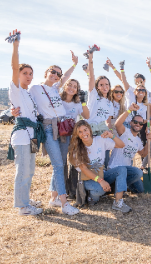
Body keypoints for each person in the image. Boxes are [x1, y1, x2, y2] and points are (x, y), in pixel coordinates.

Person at [28, 48, 80, 215]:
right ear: (46, 72)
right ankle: (65, 204)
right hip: (49, 128)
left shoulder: (56, 88)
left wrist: (74, 64)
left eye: (58, 74)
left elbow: (66, 76)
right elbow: (27, 106)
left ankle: (53, 198)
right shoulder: (35, 89)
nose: (56, 75)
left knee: (61, 163)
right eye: (53, 72)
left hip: (63, 128)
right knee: (58, 165)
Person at [7, 29, 45, 215]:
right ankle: (22, 207)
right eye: (25, 73)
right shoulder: (15, 90)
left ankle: (26, 200)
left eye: (31, 73)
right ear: (19, 74)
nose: (28, 76)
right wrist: (16, 45)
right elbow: (14, 67)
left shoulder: (29, 95)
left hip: (33, 137)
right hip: (22, 137)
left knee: (30, 170)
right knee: (22, 171)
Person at [68, 120, 134, 213]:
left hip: (101, 174)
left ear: (90, 130)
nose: (84, 133)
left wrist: (111, 135)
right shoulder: (77, 149)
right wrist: (101, 181)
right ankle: (92, 198)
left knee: (122, 170)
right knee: (99, 189)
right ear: (77, 134)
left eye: (85, 130)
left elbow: (121, 145)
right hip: (87, 179)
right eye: (80, 132)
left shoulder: (99, 140)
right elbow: (84, 170)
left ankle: (118, 202)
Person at [108, 103, 151, 195]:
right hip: (115, 169)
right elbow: (117, 124)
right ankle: (117, 187)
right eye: (136, 122)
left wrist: (148, 141)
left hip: (127, 171)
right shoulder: (125, 132)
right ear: (131, 123)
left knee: (140, 190)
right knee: (139, 173)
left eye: (140, 123)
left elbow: (143, 154)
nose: (138, 124)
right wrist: (129, 110)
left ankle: (121, 186)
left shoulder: (138, 141)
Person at [60, 79, 90, 196]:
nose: (72, 88)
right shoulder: (59, 100)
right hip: (60, 136)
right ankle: (62, 190)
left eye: (75, 86)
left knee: (74, 163)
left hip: (73, 136)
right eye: (70, 85)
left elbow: (87, 116)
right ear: (65, 86)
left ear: (77, 90)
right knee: (62, 164)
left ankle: (72, 190)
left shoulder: (77, 103)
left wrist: (83, 101)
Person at [86, 52, 114, 136]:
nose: (104, 87)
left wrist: (110, 130)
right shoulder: (94, 96)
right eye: (101, 85)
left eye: (106, 84)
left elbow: (108, 121)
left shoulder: (110, 103)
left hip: (102, 132)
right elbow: (91, 77)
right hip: (90, 130)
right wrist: (90, 58)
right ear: (97, 87)